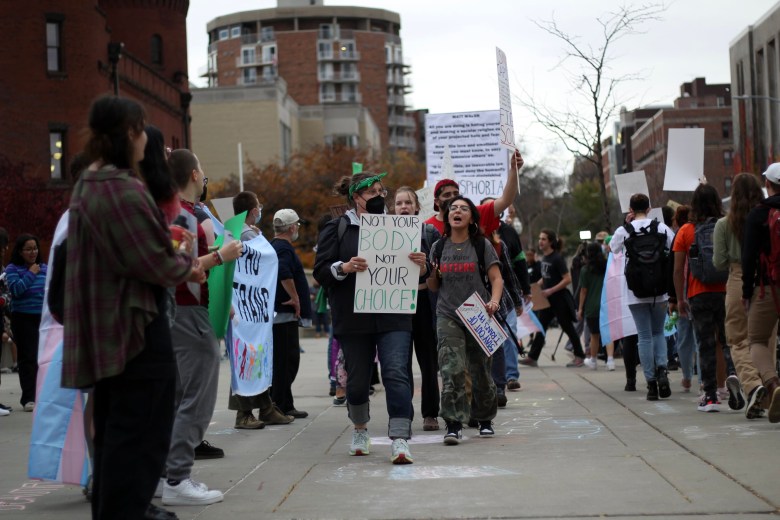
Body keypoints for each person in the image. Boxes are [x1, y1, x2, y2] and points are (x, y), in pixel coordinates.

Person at [62, 95, 202, 520]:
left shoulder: (90, 181)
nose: (147, 142)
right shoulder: (120, 188)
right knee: (138, 440)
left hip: (112, 333)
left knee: (116, 437)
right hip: (134, 333)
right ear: (127, 134)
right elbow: (157, 263)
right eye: (142, 131)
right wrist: (180, 254)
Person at [314, 171, 424, 464]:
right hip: (353, 318)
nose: (379, 196)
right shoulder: (336, 228)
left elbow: (419, 271)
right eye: (372, 192)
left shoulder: (399, 227)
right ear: (356, 197)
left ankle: (400, 438)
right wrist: (345, 267)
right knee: (359, 379)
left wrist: (422, 265)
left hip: (393, 315)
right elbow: (321, 270)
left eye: (381, 191)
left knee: (397, 373)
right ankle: (360, 429)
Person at [161, 149, 243, 506]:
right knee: (197, 398)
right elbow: (183, 267)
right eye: (202, 169)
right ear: (194, 174)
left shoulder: (173, 212)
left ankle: (167, 474)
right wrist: (221, 256)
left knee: (179, 396)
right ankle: (177, 476)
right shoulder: (183, 216)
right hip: (188, 310)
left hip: (179, 312)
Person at [427, 195, 503, 444]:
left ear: (471, 218)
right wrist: (428, 271)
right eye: (453, 208)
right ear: (447, 216)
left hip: (478, 313)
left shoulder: (481, 245)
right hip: (448, 314)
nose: (457, 211)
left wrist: (494, 301)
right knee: (452, 368)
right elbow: (434, 286)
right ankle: (453, 423)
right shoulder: (438, 247)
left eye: (463, 208)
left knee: (480, 369)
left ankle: (484, 419)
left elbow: (496, 278)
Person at [227, 191, 294, 429]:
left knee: (256, 356)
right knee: (245, 357)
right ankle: (244, 414)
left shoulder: (246, 232)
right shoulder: (243, 233)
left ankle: (265, 407)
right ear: (252, 211)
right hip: (245, 307)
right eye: (258, 206)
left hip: (253, 307)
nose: (260, 210)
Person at [673, 184, 737, 413]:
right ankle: (733, 376)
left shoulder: (686, 231)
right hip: (726, 290)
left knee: (705, 344)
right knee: (728, 340)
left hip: (697, 293)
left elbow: (678, 269)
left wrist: (680, 298)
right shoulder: (727, 225)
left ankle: (709, 396)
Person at [610, 194, 674, 401]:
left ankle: (651, 383)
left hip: (634, 291)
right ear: (649, 208)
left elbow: (613, 248)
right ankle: (662, 368)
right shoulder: (661, 228)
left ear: (630, 208)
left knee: (643, 336)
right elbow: (672, 248)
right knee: (658, 333)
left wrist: (625, 225)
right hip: (660, 291)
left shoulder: (624, 231)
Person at [714, 172, 766, 418]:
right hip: (766, 280)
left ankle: (753, 385)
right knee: (764, 340)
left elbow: (719, 261)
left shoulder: (724, 224)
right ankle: (767, 391)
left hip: (737, 278)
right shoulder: (767, 218)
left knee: (737, 339)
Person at [394, 186, 440, 431]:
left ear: (416, 207)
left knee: (428, 362)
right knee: (400, 364)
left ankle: (430, 413)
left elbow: (439, 270)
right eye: (399, 203)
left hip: (423, 304)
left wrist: (425, 268)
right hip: (397, 305)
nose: (403, 207)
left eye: (407, 203)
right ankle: (404, 414)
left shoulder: (429, 232)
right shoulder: (384, 233)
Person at [741, 163, 780, 423]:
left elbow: (749, 257)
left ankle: (773, 384)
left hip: (767, 287)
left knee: (756, 339)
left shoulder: (758, 214)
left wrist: (747, 291)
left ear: (768, 184)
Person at [520, 229, 587, 367]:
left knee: (568, 328)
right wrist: (533, 287)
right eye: (539, 238)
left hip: (560, 300)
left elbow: (567, 279)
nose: (540, 241)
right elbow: (545, 278)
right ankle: (533, 357)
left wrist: (551, 290)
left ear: (550, 242)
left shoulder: (557, 258)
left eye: (543, 239)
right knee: (541, 327)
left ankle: (580, 356)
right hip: (547, 301)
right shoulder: (545, 258)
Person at [270, 208, 312, 419]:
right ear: (292, 227)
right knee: (287, 360)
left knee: (283, 360)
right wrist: (295, 298)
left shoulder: (275, 246)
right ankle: (280, 404)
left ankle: (284, 402)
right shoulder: (284, 248)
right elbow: (284, 272)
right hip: (284, 312)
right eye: (297, 224)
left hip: (279, 312)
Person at [425, 151, 523, 236]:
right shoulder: (426, 228)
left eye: (456, 193)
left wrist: (514, 170)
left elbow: (505, 200)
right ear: (437, 202)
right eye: (447, 195)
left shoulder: (474, 214)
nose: (452, 198)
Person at [4, 233, 47, 411]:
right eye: (28, 249)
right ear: (20, 252)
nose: (33, 252)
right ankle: (28, 398)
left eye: (35, 248)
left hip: (42, 317)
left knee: (42, 358)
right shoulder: (12, 269)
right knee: (27, 358)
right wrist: (30, 273)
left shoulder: (44, 267)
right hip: (23, 317)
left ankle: (42, 395)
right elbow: (16, 290)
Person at [579, 242, 613, 370]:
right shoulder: (606, 267)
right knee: (608, 333)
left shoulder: (585, 270)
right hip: (606, 303)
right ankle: (610, 360)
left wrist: (581, 308)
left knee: (594, 334)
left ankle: (593, 360)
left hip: (592, 306)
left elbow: (583, 290)